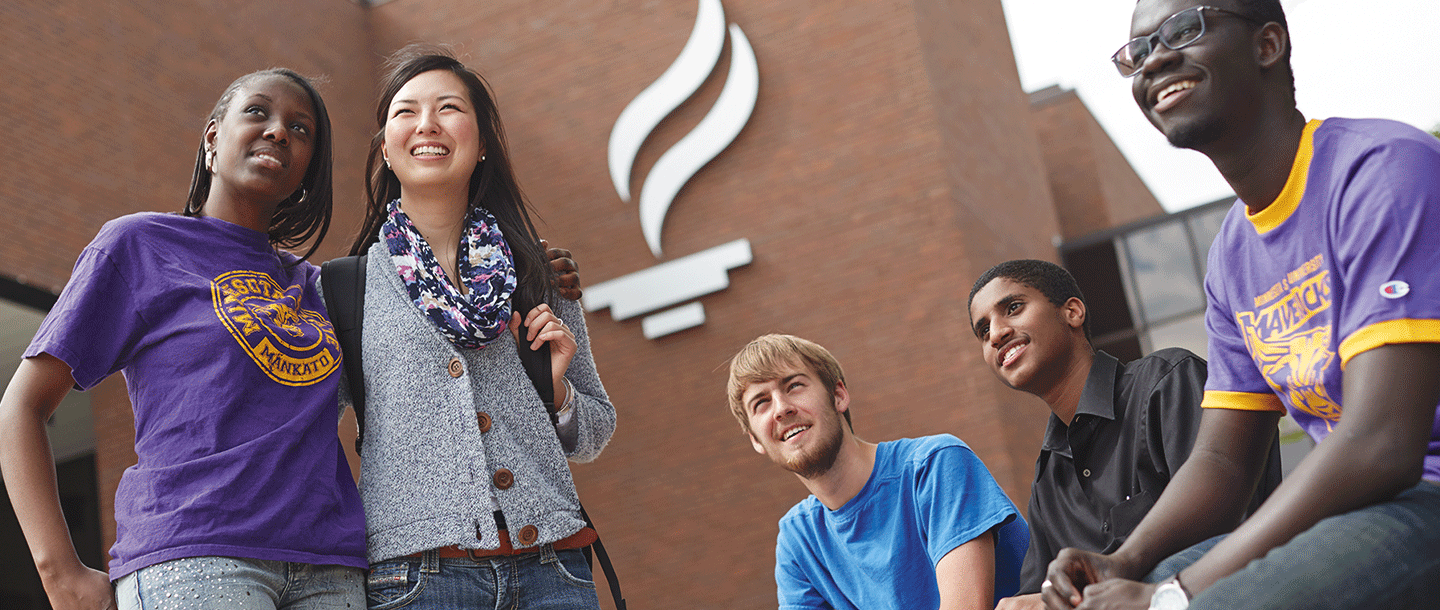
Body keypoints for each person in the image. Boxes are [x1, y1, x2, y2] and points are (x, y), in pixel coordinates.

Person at [1041, 1, 1440, 608]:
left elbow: (1382, 440)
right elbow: (1224, 461)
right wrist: (1126, 559)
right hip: (1359, 505)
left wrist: (1171, 596)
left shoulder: (1380, 169)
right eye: (1139, 53)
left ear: (1268, 45)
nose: (1157, 61)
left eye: (1184, 30)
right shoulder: (1232, 255)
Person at [0, 69, 370, 609]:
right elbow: (22, 405)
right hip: (196, 557)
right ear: (213, 137)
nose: (278, 132)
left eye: (301, 128)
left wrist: (523, 273)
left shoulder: (319, 287)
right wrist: (59, 572)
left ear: (309, 167)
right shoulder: (140, 245)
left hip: (330, 568)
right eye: (257, 113)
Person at [343, 47, 616, 610]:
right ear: (386, 151)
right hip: (416, 579)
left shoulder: (537, 272)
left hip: (553, 570)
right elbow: (304, 434)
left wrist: (558, 390)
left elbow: (594, 433)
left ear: (483, 141)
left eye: (448, 108)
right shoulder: (344, 290)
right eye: (406, 112)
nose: (427, 125)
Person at [966, 260, 1281, 610]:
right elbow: (1037, 596)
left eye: (1013, 308)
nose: (996, 334)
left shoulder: (1167, 382)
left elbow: (1227, 527)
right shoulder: (1048, 479)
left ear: (1072, 312)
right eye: (983, 331)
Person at [726, 333, 1029, 610]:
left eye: (794, 386)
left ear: (838, 396)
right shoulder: (798, 540)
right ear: (756, 440)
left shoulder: (934, 466)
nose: (781, 408)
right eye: (761, 403)